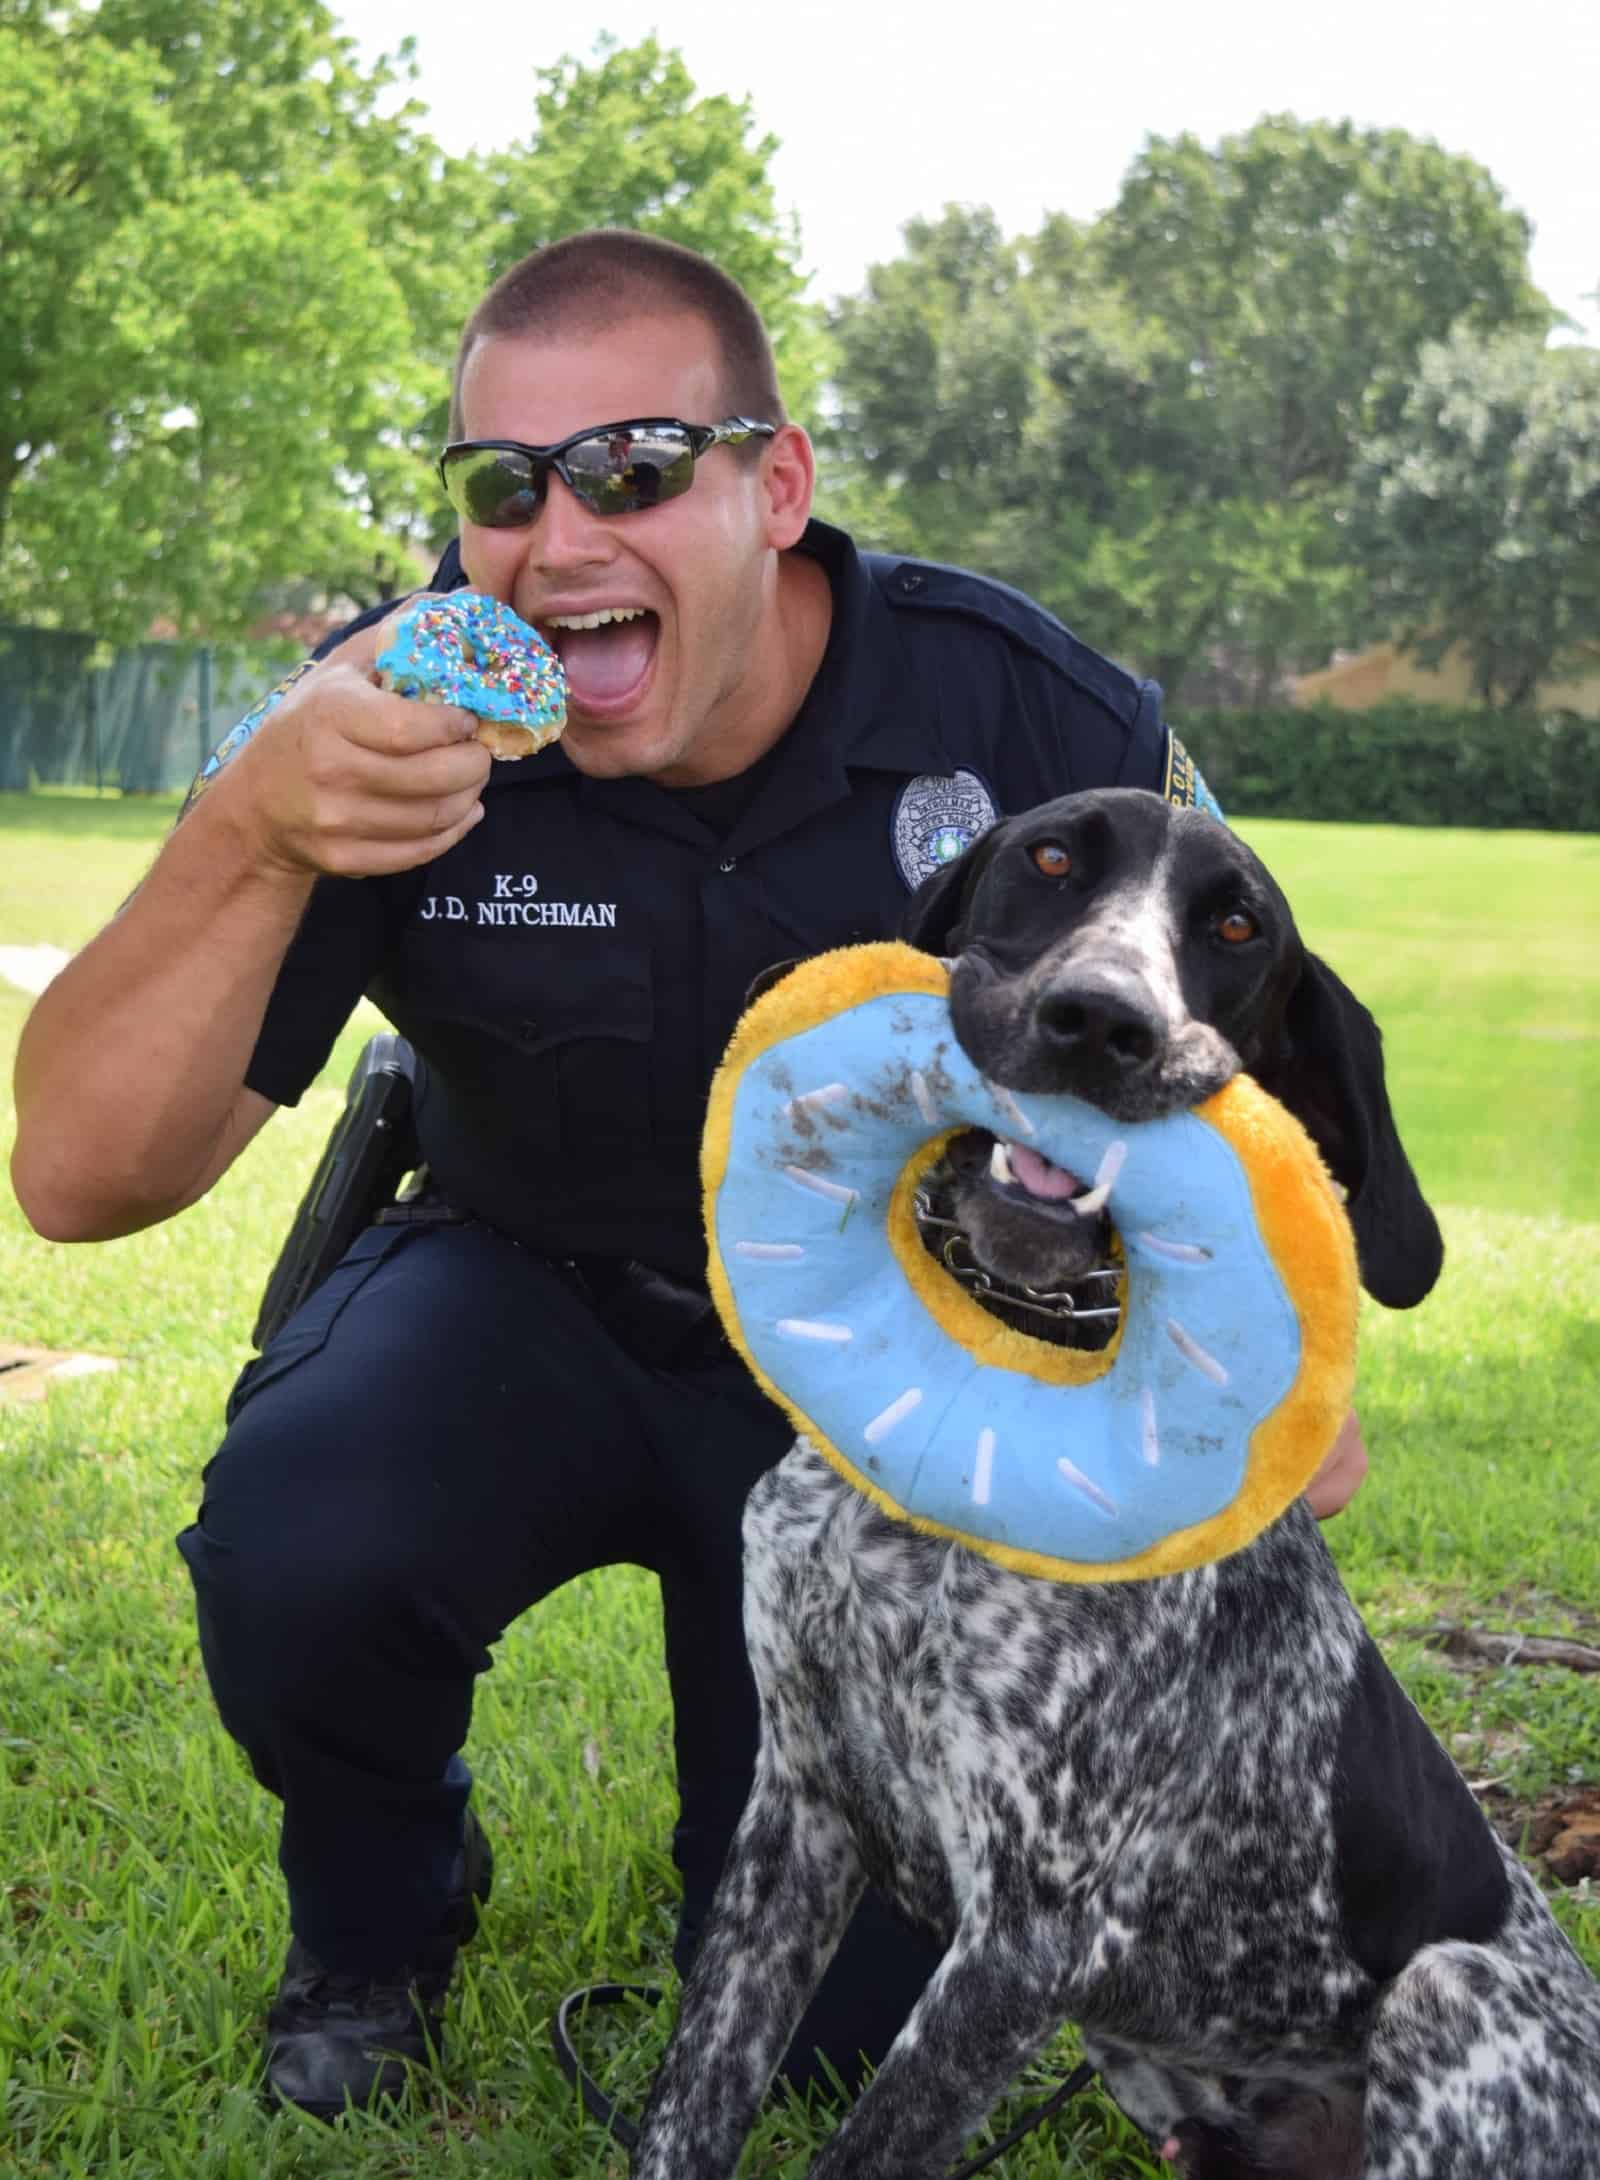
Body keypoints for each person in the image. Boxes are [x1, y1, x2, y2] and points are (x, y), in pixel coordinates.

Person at [10, 229, 1367, 2122]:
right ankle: (381, 1920)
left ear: (777, 485)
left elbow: (1244, 1030)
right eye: (502, 484)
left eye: (635, 467)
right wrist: (253, 822)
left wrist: (1279, 1378)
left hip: (897, 1357)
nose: (559, 539)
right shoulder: (386, 715)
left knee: (832, 2041)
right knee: (304, 1539)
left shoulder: (1025, 713)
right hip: (526, 1282)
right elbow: (75, 1179)